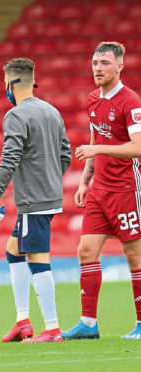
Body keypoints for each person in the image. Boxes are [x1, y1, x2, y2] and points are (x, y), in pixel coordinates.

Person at [0, 58, 71, 343]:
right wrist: (49, 179)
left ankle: (53, 328)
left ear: (10, 84)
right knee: (14, 250)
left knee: (37, 257)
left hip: (35, 201)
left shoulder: (16, 115)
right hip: (47, 196)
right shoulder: (52, 111)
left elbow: (10, 158)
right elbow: (65, 154)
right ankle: (23, 320)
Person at [63, 41, 141, 341]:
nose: (98, 68)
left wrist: (97, 148)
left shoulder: (130, 101)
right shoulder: (93, 98)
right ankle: (88, 323)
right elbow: (96, 136)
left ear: (120, 66)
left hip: (126, 189)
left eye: (105, 63)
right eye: (95, 62)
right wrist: (85, 179)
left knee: (134, 258)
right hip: (100, 190)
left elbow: (137, 147)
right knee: (85, 251)